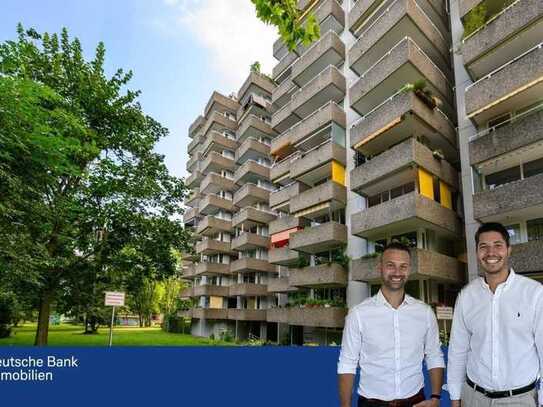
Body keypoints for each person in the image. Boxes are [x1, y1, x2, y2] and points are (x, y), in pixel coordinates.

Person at [338, 242, 445, 407]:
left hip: (416, 401)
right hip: (372, 404)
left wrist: (436, 398)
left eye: (403, 266)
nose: (397, 272)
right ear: (380, 268)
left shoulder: (424, 313)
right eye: (390, 265)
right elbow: (347, 363)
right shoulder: (358, 314)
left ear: (409, 270)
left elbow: (434, 355)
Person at [447, 222, 543, 407]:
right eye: (484, 247)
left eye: (498, 245)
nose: (491, 253)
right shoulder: (467, 296)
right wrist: (454, 397)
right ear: (477, 252)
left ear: (508, 250)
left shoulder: (535, 294)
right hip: (473, 398)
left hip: (520, 400)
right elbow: (457, 351)